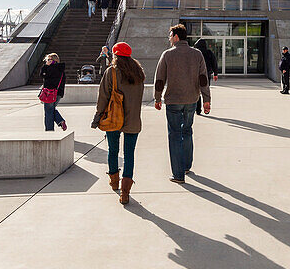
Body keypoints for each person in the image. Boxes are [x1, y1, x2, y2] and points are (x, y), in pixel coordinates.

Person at [154, 24, 211, 183]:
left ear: (176, 36)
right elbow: (203, 79)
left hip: (173, 101)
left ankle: (178, 175)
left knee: (174, 135)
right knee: (187, 131)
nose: (169, 38)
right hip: (192, 100)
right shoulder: (197, 54)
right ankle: (186, 166)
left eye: (170, 35)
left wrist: (158, 98)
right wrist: (206, 100)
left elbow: (159, 79)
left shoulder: (167, 55)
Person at [91, 42, 145, 204]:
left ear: (115, 55)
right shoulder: (139, 73)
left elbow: (103, 97)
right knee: (129, 155)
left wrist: (98, 116)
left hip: (113, 118)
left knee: (113, 150)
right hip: (133, 120)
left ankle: (114, 182)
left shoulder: (112, 72)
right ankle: (125, 192)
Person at [39, 53, 67, 131]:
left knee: (48, 112)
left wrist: (45, 66)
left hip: (49, 93)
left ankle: (49, 130)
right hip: (58, 93)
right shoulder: (61, 69)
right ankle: (60, 121)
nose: (46, 61)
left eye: (48, 60)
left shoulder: (50, 68)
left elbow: (42, 75)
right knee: (51, 110)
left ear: (53, 60)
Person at [193, 38, 219, 115]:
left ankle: (198, 109)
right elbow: (214, 63)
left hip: (196, 74)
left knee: (197, 92)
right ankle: (207, 107)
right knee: (206, 90)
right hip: (206, 74)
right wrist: (215, 74)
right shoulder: (209, 52)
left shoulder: (195, 53)